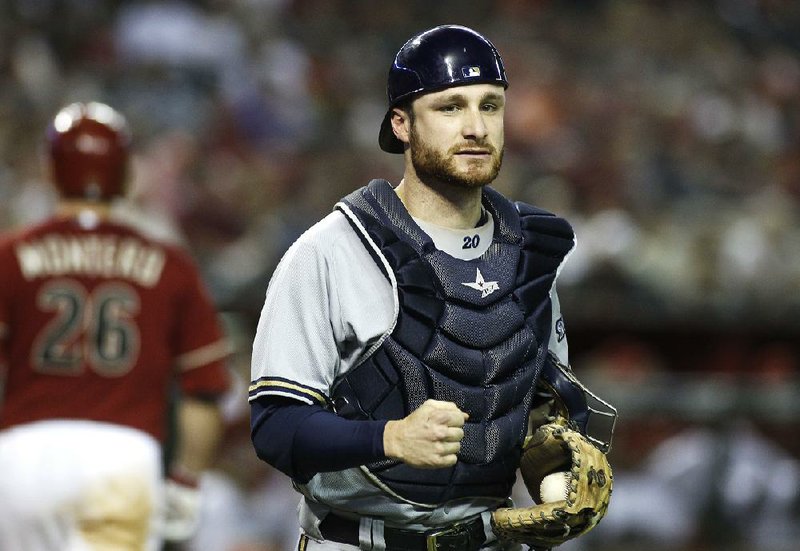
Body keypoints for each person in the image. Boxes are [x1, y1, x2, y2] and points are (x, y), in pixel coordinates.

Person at [249, 25, 612, 551]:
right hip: (357, 540)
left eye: (490, 105)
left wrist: (558, 484)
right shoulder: (334, 249)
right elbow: (275, 427)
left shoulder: (529, 254)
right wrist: (389, 437)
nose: (475, 127)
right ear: (401, 124)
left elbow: (536, 406)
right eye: (449, 107)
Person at [0, 101, 231, 551]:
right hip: (121, 458)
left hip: (23, 454)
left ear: (51, 172)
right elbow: (204, 391)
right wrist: (184, 482)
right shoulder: (169, 264)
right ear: (126, 175)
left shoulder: (10, 256)